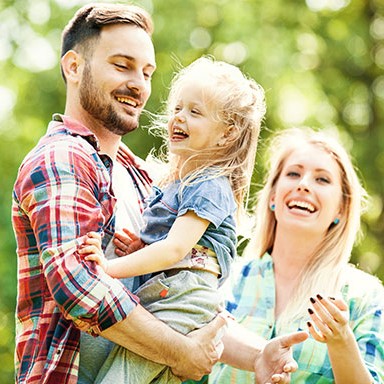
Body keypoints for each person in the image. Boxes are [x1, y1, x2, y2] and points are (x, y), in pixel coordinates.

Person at [11, 3, 307, 384]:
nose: (139, 84)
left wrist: (256, 356)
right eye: (122, 65)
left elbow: (177, 303)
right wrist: (179, 353)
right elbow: (79, 287)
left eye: (147, 72)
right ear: (74, 67)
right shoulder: (63, 158)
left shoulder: (146, 180)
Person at [79, 55, 265, 383]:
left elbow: (173, 251)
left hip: (184, 295)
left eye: (195, 112)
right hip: (167, 291)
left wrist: (106, 270)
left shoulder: (209, 184)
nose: (179, 117)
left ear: (227, 134)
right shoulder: (176, 183)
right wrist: (142, 245)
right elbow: (170, 244)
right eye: (178, 108)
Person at [210, 127, 384, 383]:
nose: (303, 185)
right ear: (272, 196)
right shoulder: (223, 278)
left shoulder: (364, 296)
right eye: (293, 174)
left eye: (322, 179)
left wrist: (340, 340)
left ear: (340, 209)